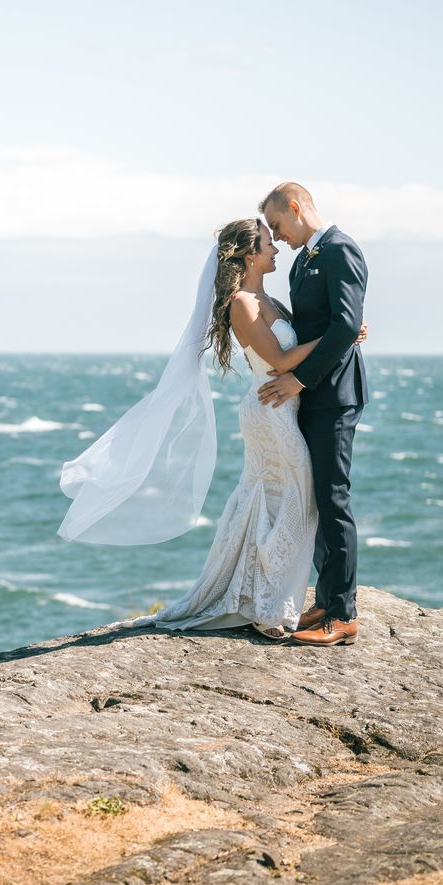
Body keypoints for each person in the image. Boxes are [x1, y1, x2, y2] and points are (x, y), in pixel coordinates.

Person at [57, 213, 366, 641]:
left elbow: (300, 344)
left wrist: (341, 334)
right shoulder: (242, 302)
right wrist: (341, 336)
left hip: (284, 410)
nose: (276, 246)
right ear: (248, 255)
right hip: (270, 413)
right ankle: (268, 603)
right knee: (291, 499)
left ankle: (267, 595)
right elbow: (278, 361)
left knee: (278, 500)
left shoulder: (271, 302)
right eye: (266, 242)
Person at [256, 182, 368, 646]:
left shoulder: (341, 250)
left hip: (334, 394)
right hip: (309, 397)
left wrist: (299, 381)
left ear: (297, 209)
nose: (277, 237)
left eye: (278, 225)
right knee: (317, 499)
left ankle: (342, 615)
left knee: (333, 498)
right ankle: (324, 598)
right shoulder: (305, 259)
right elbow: (320, 327)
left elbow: (344, 324)